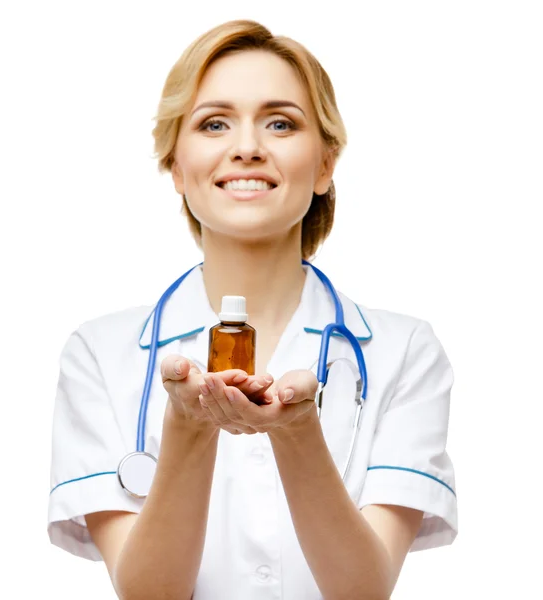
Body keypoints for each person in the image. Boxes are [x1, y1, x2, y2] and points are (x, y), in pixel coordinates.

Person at [47, 19, 458, 599]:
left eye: (281, 123)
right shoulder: (99, 354)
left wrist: (298, 434)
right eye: (214, 123)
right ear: (175, 165)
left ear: (325, 164)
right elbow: (147, 594)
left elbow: (362, 591)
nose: (247, 146)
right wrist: (188, 429)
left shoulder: (404, 351)